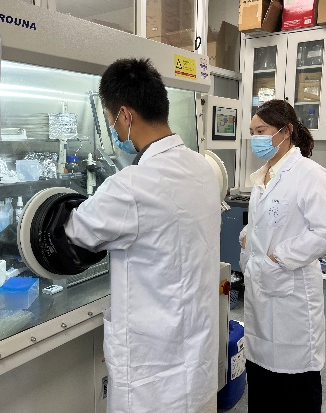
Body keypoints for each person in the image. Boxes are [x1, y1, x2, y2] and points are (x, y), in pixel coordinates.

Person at [64, 58, 221, 413]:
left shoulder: (130, 187)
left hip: (152, 375)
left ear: (125, 115)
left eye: (111, 121)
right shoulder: (201, 168)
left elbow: (75, 230)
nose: (114, 129)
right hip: (195, 361)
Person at [239, 99, 326, 412]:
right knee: (261, 379)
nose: (255, 138)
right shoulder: (263, 176)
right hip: (261, 293)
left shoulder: (309, 174)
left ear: (286, 131)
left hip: (291, 296)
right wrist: (249, 234)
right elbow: (270, 222)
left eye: (261, 131)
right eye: (252, 132)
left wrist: (279, 257)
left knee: (293, 387)